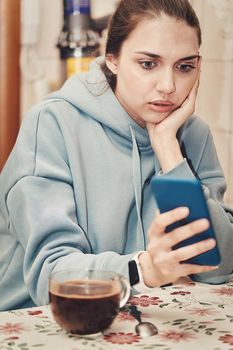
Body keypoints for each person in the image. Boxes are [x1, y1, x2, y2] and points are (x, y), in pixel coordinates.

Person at [0, 0, 233, 311]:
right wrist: (144, 269)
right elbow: (51, 275)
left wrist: (169, 152)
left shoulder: (189, 134)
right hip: (37, 320)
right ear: (112, 59)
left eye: (185, 66)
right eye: (148, 64)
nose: (168, 86)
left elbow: (219, 266)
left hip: (140, 321)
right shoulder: (53, 124)